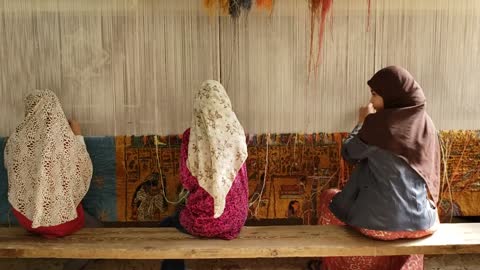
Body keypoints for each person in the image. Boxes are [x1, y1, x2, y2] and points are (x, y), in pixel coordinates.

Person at [318, 66, 440, 270]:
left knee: (328, 199)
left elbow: (349, 153)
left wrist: (361, 122)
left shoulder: (379, 125)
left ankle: (345, 267)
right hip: (422, 224)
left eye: (375, 95)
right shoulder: (427, 124)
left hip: (377, 227)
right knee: (426, 208)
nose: (372, 102)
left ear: (392, 97)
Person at [161, 80, 249, 270]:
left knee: (168, 224)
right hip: (236, 219)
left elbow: (187, 180)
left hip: (205, 222)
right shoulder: (237, 133)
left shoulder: (191, 137)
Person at [4, 90, 96, 238]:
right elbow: (82, 170)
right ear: (55, 110)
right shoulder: (64, 142)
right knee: (83, 218)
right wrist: (77, 136)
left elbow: (13, 174)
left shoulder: (15, 141)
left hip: (27, 219)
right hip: (62, 224)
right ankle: (81, 259)